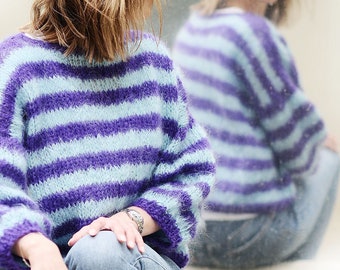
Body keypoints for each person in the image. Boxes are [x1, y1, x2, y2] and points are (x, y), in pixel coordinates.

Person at [0, 0, 217, 269]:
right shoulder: (15, 67)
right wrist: (36, 246)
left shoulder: (154, 63)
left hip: (127, 258)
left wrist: (132, 219)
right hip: (41, 262)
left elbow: (191, 172)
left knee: (98, 252)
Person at [172, 0, 340, 268]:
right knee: (330, 159)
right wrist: (318, 141)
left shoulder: (192, 29)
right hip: (246, 234)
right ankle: (300, 264)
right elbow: (293, 144)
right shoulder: (254, 34)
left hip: (192, 234)